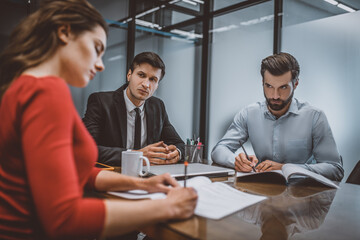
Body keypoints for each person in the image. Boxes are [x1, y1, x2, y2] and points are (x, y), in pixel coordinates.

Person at [0, 0, 197, 239]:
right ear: (64, 33)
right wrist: (168, 206)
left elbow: (75, 170)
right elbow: (64, 219)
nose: (101, 65)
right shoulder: (46, 92)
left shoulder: (26, 86)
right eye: (96, 48)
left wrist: (142, 184)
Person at [211, 52, 344, 181]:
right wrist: (236, 161)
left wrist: (286, 168)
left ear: (295, 84)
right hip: (261, 190)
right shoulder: (248, 114)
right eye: (269, 86)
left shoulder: (315, 117)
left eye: (283, 87)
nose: (275, 96)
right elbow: (219, 150)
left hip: (302, 194)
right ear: (262, 82)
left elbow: (335, 169)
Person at [83, 51, 184, 166]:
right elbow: (86, 148)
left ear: (157, 85)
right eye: (141, 75)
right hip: (113, 175)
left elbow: (178, 143)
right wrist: (136, 155)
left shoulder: (158, 106)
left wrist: (176, 154)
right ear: (129, 75)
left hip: (150, 175)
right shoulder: (101, 102)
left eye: (153, 79)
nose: (146, 84)